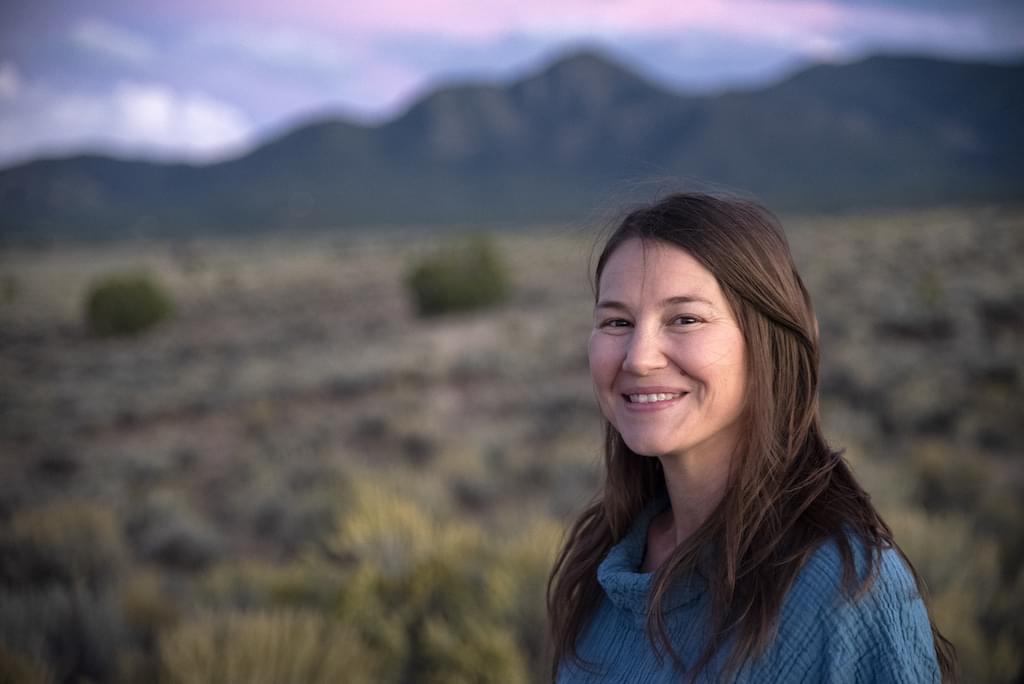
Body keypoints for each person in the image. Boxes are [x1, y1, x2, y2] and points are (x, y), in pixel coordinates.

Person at [547, 193, 957, 683]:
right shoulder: (604, 562)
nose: (639, 358)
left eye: (685, 319)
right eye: (617, 322)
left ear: (767, 339)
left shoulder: (842, 589)